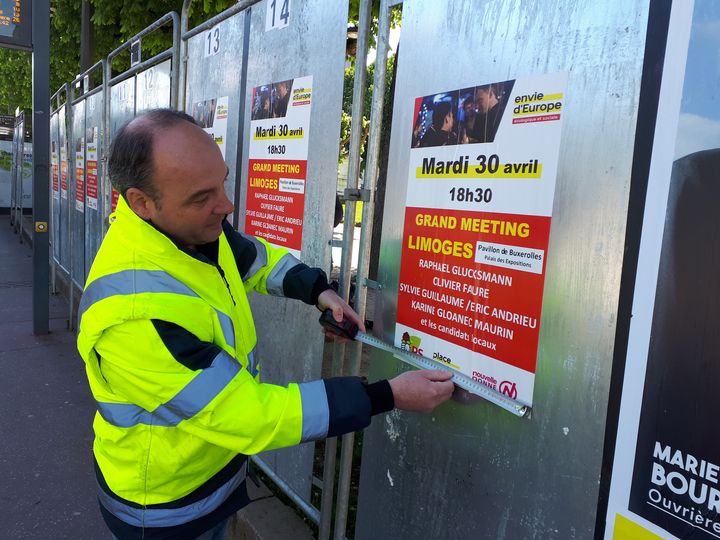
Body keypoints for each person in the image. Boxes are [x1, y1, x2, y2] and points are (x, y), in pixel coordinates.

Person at [76, 109, 454, 539]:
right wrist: (385, 395)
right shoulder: (133, 314)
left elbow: (252, 258)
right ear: (140, 202)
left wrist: (317, 290)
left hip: (210, 475)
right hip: (166, 509)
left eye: (223, 180)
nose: (226, 204)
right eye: (202, 196)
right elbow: (250, 416)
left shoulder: (185, 231)